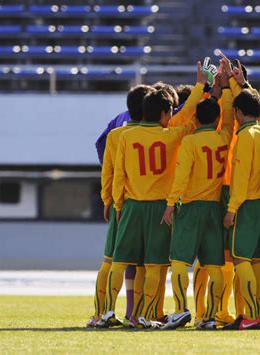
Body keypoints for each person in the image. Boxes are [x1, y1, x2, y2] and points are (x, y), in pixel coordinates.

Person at [98, 63, 207, 329]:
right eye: (170, 112)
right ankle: (145, 315)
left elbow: (119, 172)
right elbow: (191, 116)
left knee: (119, 261)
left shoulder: (124, 135)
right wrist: (202, 86)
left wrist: (116, 203)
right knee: (155, 266)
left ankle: (106, 313)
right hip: (160, 208)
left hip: (132, 205)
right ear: (163, 113)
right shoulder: (172, 135)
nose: (172, 116)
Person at [162, 68, 234, 330]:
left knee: (179, 262)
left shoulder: (190, 142)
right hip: (215, 207)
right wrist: (224, 89)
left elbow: (181, 177)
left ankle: (182, 310)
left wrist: (171, 204)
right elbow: (227, 122)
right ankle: (211, 316)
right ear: (215, 119)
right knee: (215, 264)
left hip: (191, 206)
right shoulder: (224, 137)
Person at [86, 84, 155, 327]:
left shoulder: (117, 129)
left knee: (113, 260)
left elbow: (108, 166)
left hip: (121, 202)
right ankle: (137, 314)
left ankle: (101, 313)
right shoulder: (159, 132)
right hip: (146, 203)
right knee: (144, 263)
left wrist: (108, 199)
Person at [221, 88, 260, 330]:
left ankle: (251, 316)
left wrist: (231, 209)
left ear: (238, 112)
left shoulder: (245, 137)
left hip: (247, 203)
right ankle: (253, 313)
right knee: (256, 260)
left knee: (240, 258)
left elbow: (240, 177)